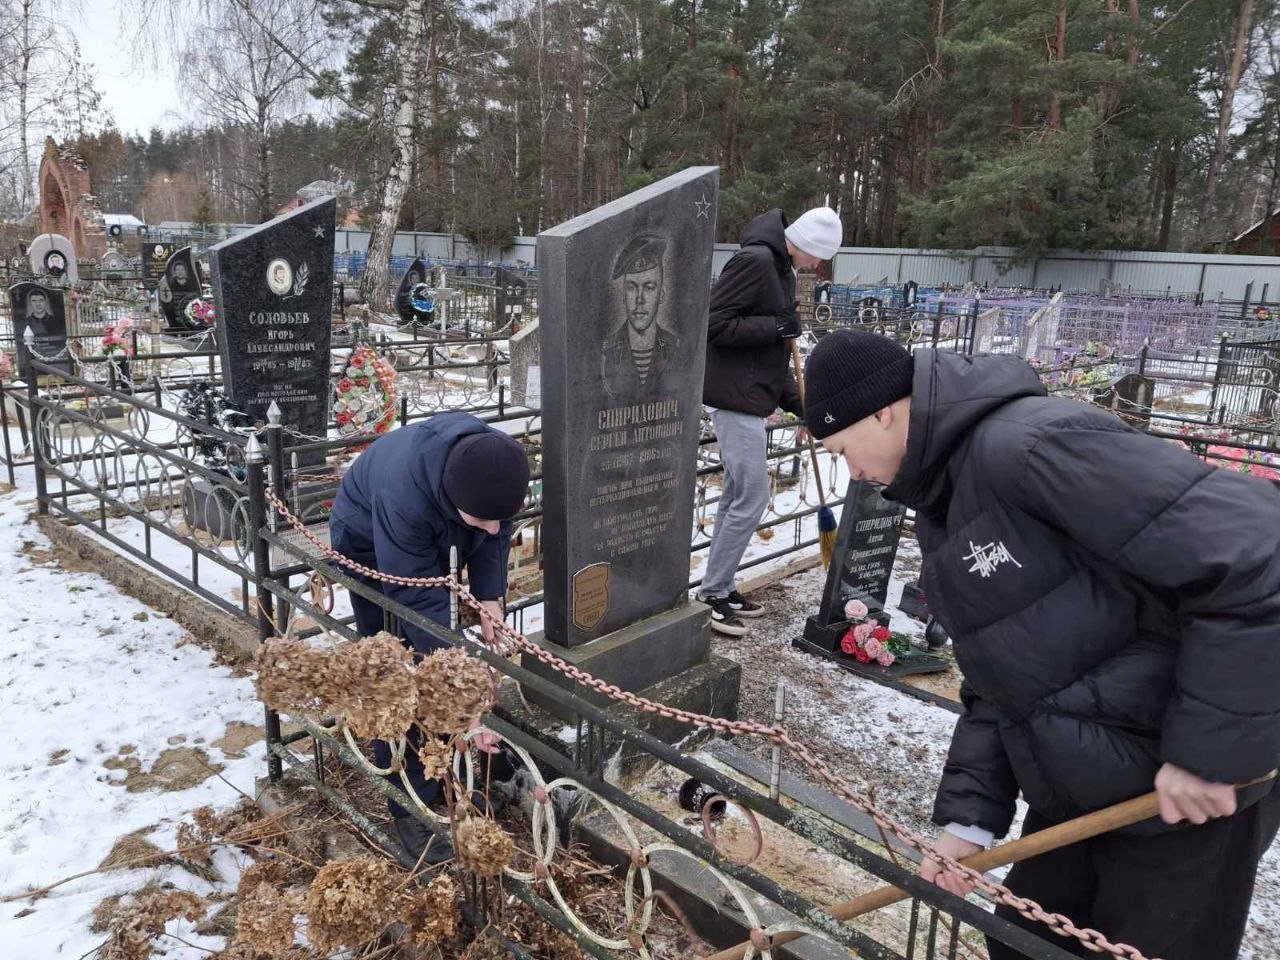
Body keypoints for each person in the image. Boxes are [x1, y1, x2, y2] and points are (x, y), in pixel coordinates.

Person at [801, 329, 1280, 960]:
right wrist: (970, 820)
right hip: (1078, 787)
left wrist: (1208, 753)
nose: (852, 471)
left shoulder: (1032, 448)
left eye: (842, 449)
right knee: (1022, 945)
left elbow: (1258, 550)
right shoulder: (945, 498)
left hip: (1177, 799)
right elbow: (997, 674)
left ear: (882, 411)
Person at [328, 411, 530, 862]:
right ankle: (409, 802)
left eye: (501, 518)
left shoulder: (492, 463)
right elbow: (415, 600)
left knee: (437, 661)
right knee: (397, 669)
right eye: (483, 519)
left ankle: (447, 773)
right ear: (452, 498)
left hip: (434, 537)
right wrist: (462, 697)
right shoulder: (406, 497)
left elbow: (496, 533)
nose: (496, 528)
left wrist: (489, 596)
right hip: (368, 547)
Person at [699, 206, 842, 635]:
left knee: (738, 497)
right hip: (732, 399)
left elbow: (774, 357)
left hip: (751, 397)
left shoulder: (782, 270)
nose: (818, 266)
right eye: (819, 257)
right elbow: (714, 323)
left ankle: (719, 586)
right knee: (754, 496)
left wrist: (803, 406)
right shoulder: (756, 261)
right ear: (808, 245)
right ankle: (710, 594)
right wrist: (776, 325)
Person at [601, 234, 678, 400]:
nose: (639, 299)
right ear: (623, 295)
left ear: (661, 294)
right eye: (632, 287)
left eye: (649, 287)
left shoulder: (675, 347)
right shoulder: (605, 348)